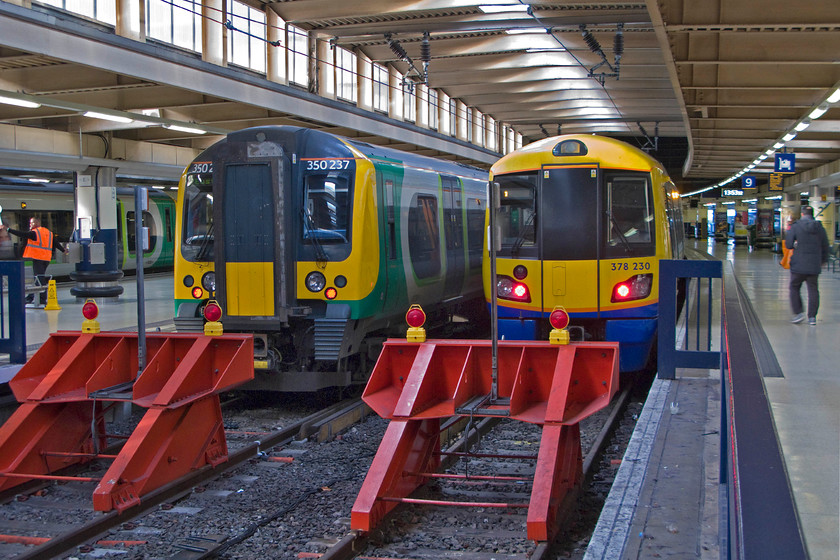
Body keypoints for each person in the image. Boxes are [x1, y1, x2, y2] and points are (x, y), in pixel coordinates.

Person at [0, 217, 67, 308]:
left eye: (31, 223)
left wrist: (8, 229)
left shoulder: (35, 233)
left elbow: (22, 234)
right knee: (39, 278)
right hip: (46, 259)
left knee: (39, 278)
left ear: (36, 223)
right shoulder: (49, 233)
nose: (30, 225)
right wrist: (63, 250)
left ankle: (40, 298)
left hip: (38, 258)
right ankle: (31, 297)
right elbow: (56, 243)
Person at [785, 206, 829, 325]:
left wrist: (795, 245)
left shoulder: (796, 226)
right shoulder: (820, 228)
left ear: (803, 214)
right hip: (814, 264)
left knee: (794, 287)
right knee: (813, 290)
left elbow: (788, 244)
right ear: (812, 214)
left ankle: (798, 313)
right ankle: (812, 317)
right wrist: (823, 260)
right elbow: (825, 246)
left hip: (798, 264)